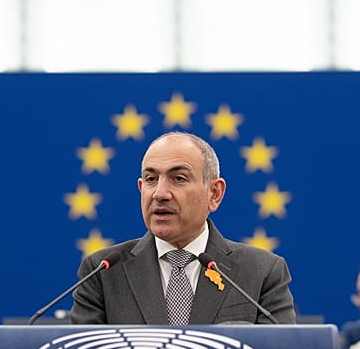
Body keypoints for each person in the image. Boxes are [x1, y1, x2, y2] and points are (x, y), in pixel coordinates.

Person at [70, 132, 296, 325]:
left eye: (178, 178)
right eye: (150, 179)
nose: (159, 194)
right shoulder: (102, 272)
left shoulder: (262, 272)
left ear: (214, 193)